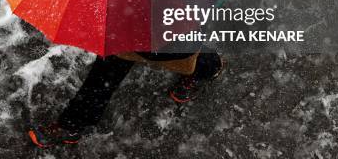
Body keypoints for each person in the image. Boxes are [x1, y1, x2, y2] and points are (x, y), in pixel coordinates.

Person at [27, 48, 225, 148]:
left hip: (170, 29)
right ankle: (73, 124)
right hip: (129, 27)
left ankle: (209, 66)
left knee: (182, 58)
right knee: (105, 72)